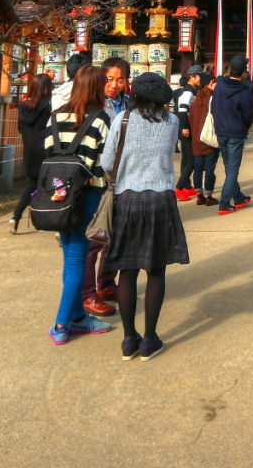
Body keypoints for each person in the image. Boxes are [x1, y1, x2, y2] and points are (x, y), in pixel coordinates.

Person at [100, 71, 189, 362]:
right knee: (155, 271)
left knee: (127, 271)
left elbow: (105, 162)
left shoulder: (122, 120)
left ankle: (129, 340)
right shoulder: (172, 121)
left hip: (127, 197)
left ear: (135, 94)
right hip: (161, 198)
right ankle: (150, 339)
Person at [45, 64, 114, 346]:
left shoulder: (55, 117)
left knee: (68, 255)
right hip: (88, 194)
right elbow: (106, 162)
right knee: (77, 257)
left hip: (58, 195)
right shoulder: (100, 120)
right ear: (97, 88)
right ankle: (62, 324)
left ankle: (75, 316)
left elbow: (48, 152)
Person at [81, 55, 132, 316]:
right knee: (94, 237)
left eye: (119, 79)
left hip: (119, 177)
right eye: (109, 79)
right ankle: (88, 293)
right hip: (97, 178)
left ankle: (106, 284)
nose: (114, 84)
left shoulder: (128, 104)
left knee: (114, 235)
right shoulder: (92, 104)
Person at [211, 54, 253, 214]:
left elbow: (213, 107)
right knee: (232, 169)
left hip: (220, 129)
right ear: (244, 72)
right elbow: (247, 115)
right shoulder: (244, 91)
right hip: (235, 131)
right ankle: (224, 202)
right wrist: (244, 127)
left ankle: (238, 196)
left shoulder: (219, 86)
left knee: (228, 166)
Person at [8, 73, 53, 233]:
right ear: (48, 88)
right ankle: (43, 221)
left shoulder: (23, 107)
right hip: (46, 150)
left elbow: (21, 129)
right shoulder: (49, 105)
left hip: (29, 151)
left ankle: (15, 217)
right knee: (50, 186)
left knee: (32, 185)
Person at [188, 73, 219, 204]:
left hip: (196, 138)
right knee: (210, 169)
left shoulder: (196, 100)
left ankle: (199, 195)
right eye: (215, 82)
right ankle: (209, 195)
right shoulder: (213, 100)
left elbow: (190, 119)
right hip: (208, 139)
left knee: (198, 168)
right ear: (209, 83)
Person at [173, 66, 203, 200]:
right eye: (199, 76)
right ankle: (179, 187)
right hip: (186, 127)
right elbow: (182, 110)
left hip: (183, 126)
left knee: (186, 157)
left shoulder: (189, 90)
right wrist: (185, 126)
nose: (201, 78)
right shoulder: (188, 92)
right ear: (193, 76)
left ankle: (186, 185)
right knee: (192, 159)